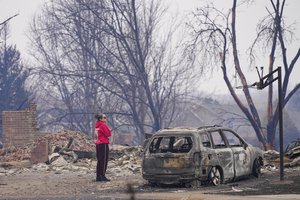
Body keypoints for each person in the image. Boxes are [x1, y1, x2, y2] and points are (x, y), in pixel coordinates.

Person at [94, 113, 111, 182]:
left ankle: (98, 176)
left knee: (99, 160)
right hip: (103, 143)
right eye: (104, 117)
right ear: (100, 119)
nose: (105, 119)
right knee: (104, 160)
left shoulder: (97, 125)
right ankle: (102, 175)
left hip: (98, 143)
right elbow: (108, 134)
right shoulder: (103, 125)